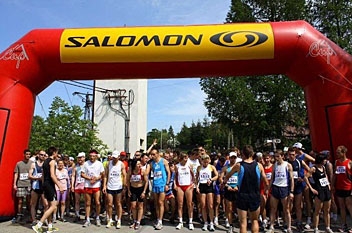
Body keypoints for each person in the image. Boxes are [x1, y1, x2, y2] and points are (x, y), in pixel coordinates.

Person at [224, 145, 268, 233]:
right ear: (252, 153)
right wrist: (266, 190)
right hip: (254, 195)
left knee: (243, 222)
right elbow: (266, 181)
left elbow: (227, 176)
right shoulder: (259, 165)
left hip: (242, 195)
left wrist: (225, 182)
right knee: (254, 221)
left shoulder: (239, 166)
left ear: (243, 154)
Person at [32, 146, 63, 233]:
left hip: (45, 184)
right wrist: (59, 185)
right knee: (53, 206)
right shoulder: (52, 161)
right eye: (56, 152)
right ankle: (39, 225)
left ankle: (50, 226)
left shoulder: (45, 161)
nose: (57, 154)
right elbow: (52, 175)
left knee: (49, 206)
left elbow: (42, 175)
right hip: (49, 184)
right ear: (54, 153)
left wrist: (43, 185)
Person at [304, 152, 333, 233]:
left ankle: (328, 227)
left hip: (326, 189)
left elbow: (325, 175)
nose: (325, 161)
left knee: (327, 210)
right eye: (324, 159)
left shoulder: (323, 167)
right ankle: (316, 228)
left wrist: (328, 184)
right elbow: (306, 177)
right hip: (318, 190)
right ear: (320, 160)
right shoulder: (313, 168)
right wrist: (311, 188)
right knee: (317, 210)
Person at [267, 149, 294, 233]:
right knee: (273, 208)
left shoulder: (288, 165)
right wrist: (268, 188)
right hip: (275, 187)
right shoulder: (275, 165)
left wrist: (291, 191)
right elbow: (272, 178)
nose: (276, 158)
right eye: (275, 157)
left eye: (278, 156)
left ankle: (289, 227)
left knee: (286, 209)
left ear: (282, 156)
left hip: (284, 188)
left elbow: (291, 179)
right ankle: (271, 226)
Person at [80, 149, 105, 227]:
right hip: (88, 185)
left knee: (97, 202)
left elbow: (103, 174)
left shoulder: (99, 164)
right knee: (88, 203)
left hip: (96, 185)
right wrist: (90, 178)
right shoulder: (86, 164)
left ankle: (97, 218)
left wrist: (96, 178)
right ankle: (87, 219)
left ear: (96, 156)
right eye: (90, 156)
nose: (92, 158)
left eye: (93, 156)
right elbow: (82, 174)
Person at [287, 147, 309, 231]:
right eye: (290, 155)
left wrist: (303, 178)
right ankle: (288, 222)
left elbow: (309, 169)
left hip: (298, 186)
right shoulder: (286, 163)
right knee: (289, 206)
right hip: (288, 186)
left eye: (293, 154)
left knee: (298, 205)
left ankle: (299, 222)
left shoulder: (299, 161)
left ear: (295, 154)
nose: (291, 156)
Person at [103, 150, 126, 229]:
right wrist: (104, 186)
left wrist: (124, 186)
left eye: (116, 157)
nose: (114, 159)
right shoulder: (108, 164)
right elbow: (105, 175)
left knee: (118, 203)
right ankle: (110, 219)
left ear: (118, 157)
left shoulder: (121, 164)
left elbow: (125, 175)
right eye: (113, 157)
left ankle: (119, 220)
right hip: (110, 186)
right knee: (109, 203)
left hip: (118, 186)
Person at [331, 145, 352, 232]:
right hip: (339, 187)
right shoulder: (336, 162)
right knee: (342, 206)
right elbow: (335, 175)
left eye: (338, 152)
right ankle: (344, 225)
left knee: (349, 206)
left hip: (348, 187)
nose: (337, 154)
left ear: (343, 153)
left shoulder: (349, 162)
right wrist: (332, 185)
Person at [196, 154, 218, 231]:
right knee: (203, 205)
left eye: (207, 162)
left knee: (210, 205)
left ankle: (211, 222)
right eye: (204, 162)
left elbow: (216, 176)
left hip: (209, 186)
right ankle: (205, 222)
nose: (205, 163)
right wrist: (197, 187)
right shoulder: (199, 168)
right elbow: (197, 178)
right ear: (201, 161)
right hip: (202, 186)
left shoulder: (211, 167)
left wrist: (211, 179)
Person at [150, 148, 171, 230]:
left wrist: (167, 183)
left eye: (154, 154)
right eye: (151, 154)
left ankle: (160, 221)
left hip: (162, 184)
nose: (152, 156)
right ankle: (158, 218)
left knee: (160, 202)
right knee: (156, 203)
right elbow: (153, 173)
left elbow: (168, 172)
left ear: (158, 154)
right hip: (155, 184)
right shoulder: (152, 163)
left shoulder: (164, 161)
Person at [175, 152, 194, 230]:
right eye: (185, 158)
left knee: (190, 204)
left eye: (187, 158)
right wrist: (175, 185)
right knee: (180, 204)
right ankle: (180, 221)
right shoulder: (177, 166)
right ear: (181, 158)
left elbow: (193, 175)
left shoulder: (189, 165)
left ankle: (190, 222)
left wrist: (193, 184)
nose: (186, 159)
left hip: (188, 186)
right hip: (180, 186)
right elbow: (175, 176)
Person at [127, 159, 149, 230]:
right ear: (134, 165)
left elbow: (146, 182)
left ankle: (138, 221)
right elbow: (127, 180)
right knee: (133, 206)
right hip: (133, 189)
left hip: (140, 189)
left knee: (140, 206)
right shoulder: (131, 171)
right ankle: (134, 220)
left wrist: (144, 192)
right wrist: (128, 190)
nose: (140, 165)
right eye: (138, 164)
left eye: (140, 164)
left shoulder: (142, 171)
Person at [220, 151, 239, 233]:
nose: (233, 159)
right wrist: (227, 185)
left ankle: (239, 222)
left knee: (239, 208)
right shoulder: (225, 168)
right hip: (228, 189)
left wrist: (237, 186)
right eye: (232, 157)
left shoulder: (239, 167)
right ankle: (230, 225)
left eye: (234, 157)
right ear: (229, 158)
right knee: (229, 207)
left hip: (237, 189)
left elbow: (242, 177)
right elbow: (221, 178)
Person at [13, 149, 33, 223]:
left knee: (29, 201)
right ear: (24, 154)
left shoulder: (32, 163)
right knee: (20, 201)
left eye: (29, 154)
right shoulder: (19, 163)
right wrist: (14, 184)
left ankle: (30, 214)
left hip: (29, 184)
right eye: (27, 154)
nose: (28, 155)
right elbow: (16, 174)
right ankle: (19, 214)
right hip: (20, 184)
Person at [29, 150, 48, 225]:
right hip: (36, 187)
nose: (43, 156)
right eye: (41, 155)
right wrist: (37, 178)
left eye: (44, 155)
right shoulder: (33, 164)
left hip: (43, 187)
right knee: (33, 204)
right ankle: (34, 220)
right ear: (38, 155)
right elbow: (29, 176)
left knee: (46, 204)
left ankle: (44, 219)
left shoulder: (46, 164)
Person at [71, 152, 86, 222]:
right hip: (77, 185)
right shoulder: (76, 167)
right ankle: (77, 215)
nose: (79, 159)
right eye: (78, 158)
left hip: (85, 185)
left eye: (81, 157)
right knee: (77, 201)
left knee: (87, 201)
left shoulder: (87, 165)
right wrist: (72, 186)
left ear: (84, 158)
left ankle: (87, 215)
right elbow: (73, 176)